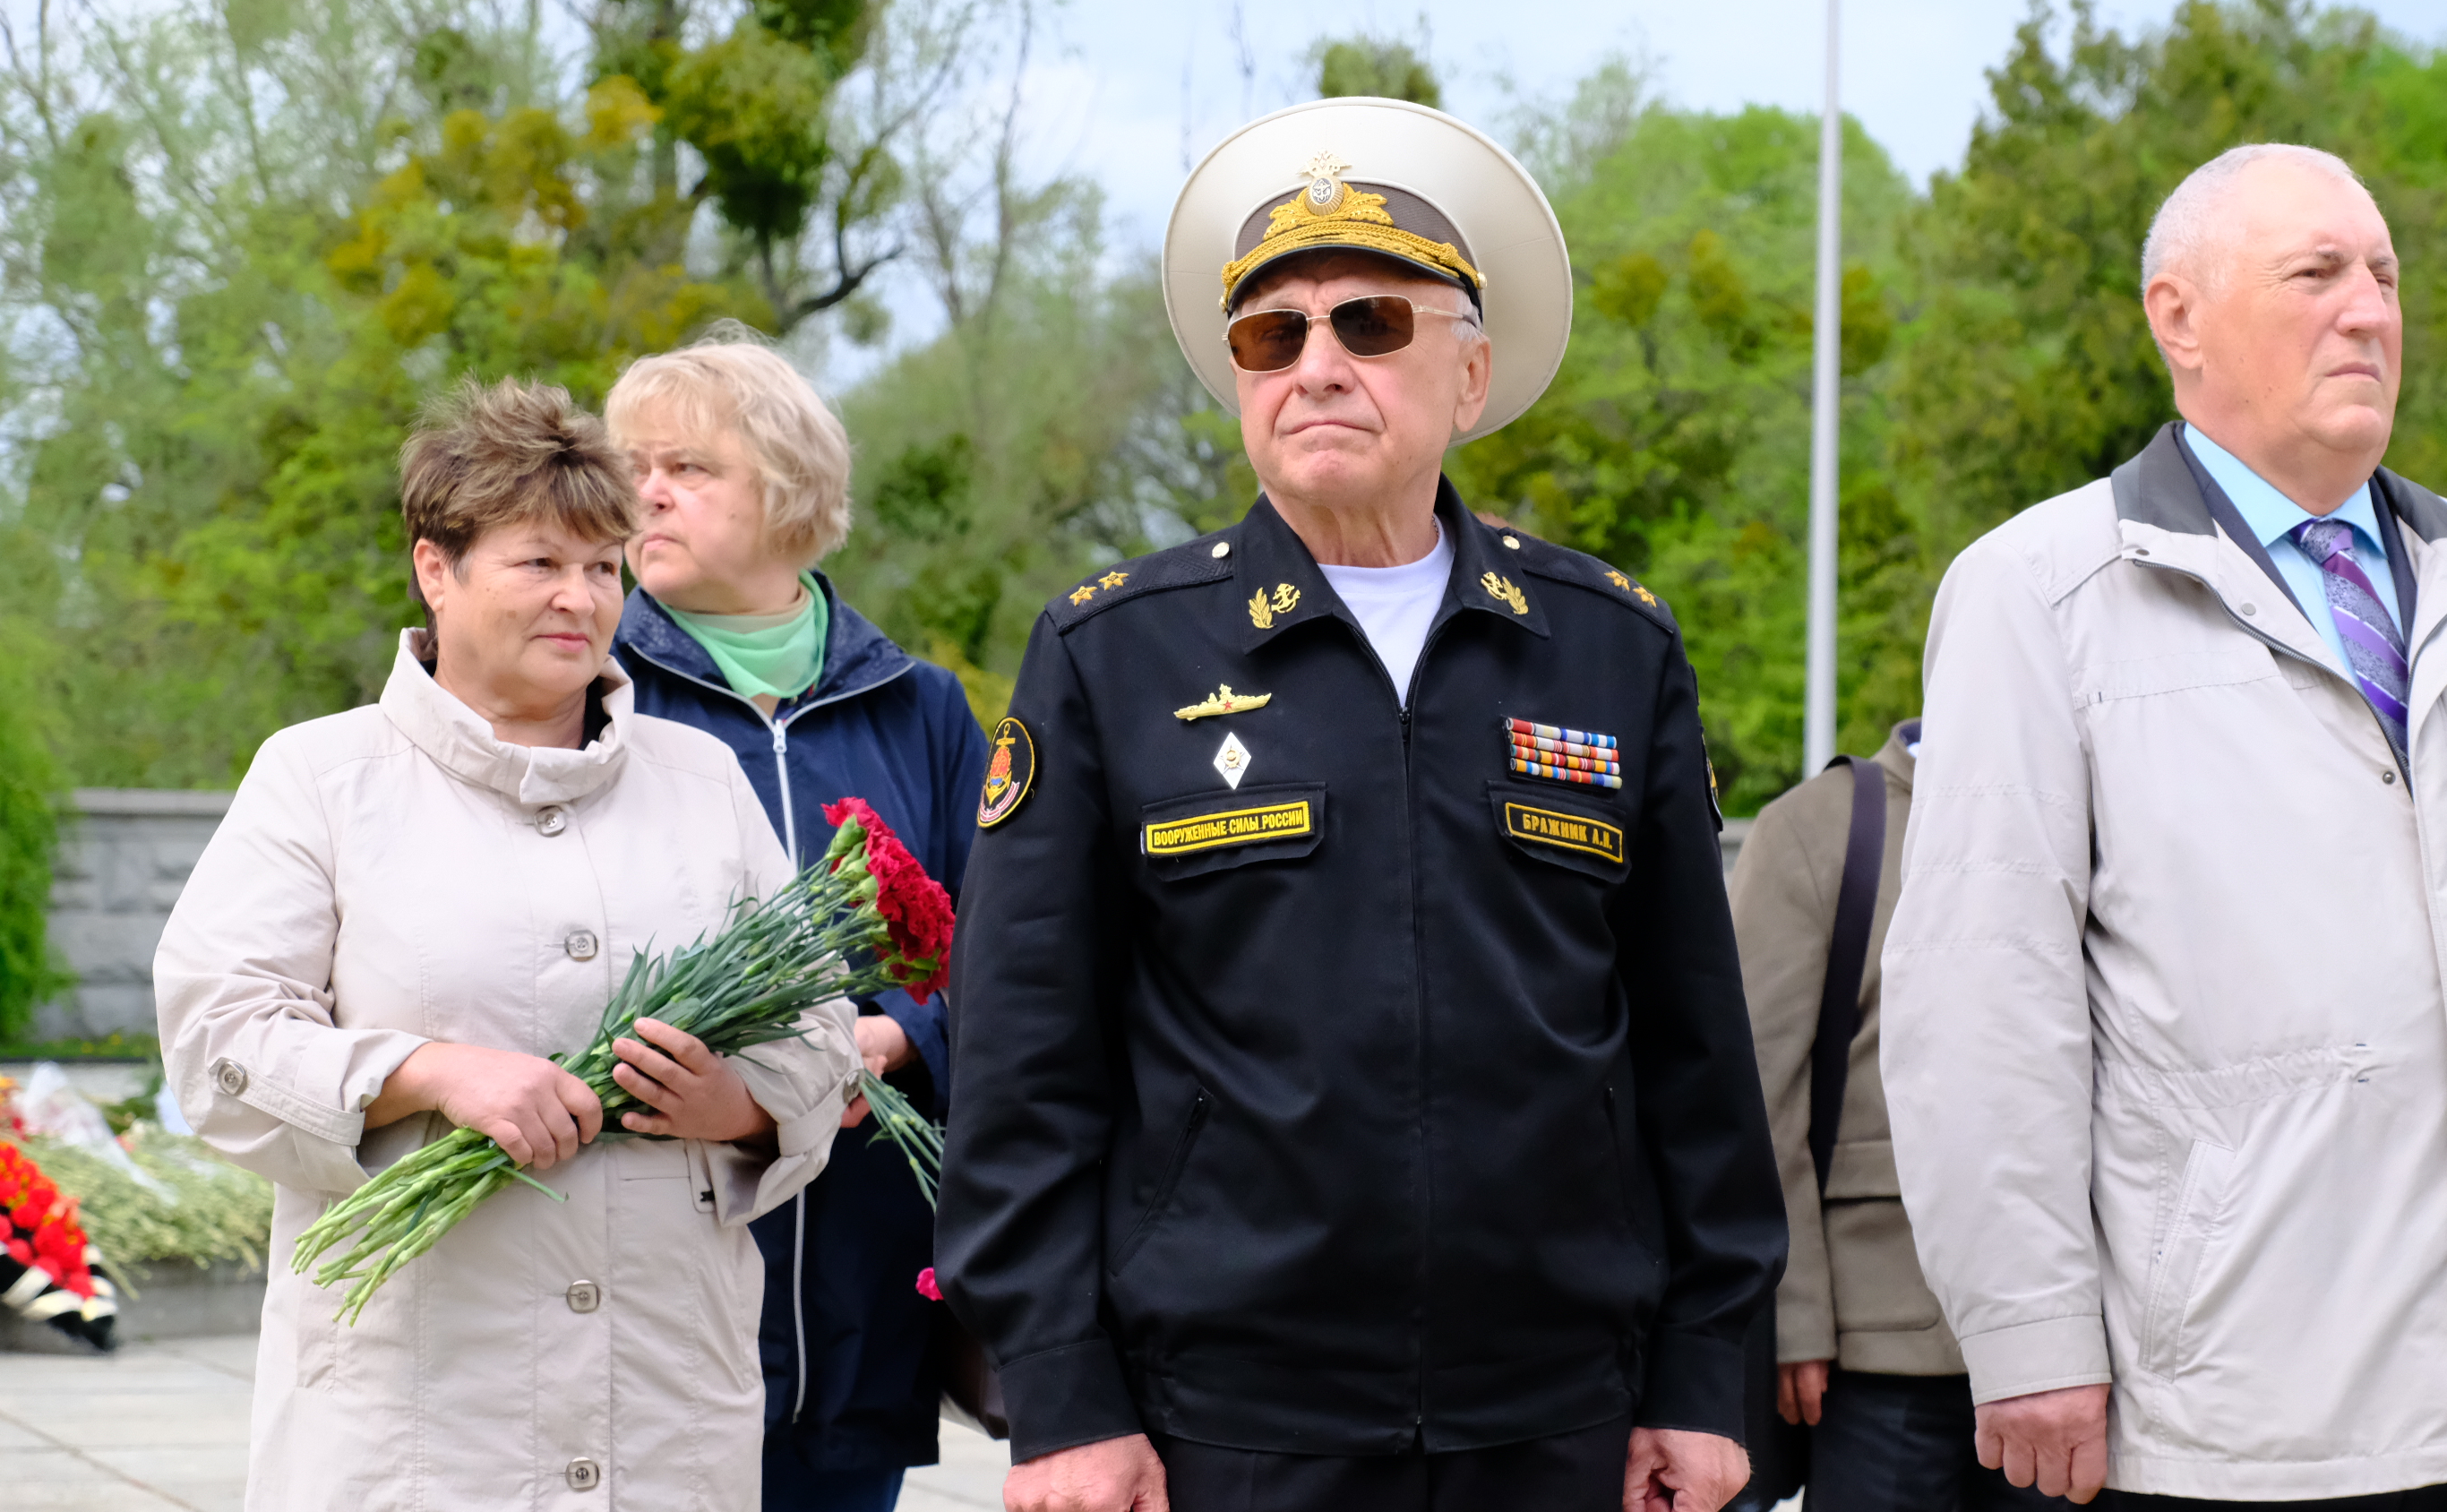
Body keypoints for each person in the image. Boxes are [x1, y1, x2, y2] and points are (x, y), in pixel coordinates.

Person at [931, 97, 1787, 1512]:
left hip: (1560, 1416)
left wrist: (1705, 1373)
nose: (1316, 365)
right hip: (1222, 1426)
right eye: (1272, 337)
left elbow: (1697, 1053)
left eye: (1371, 325)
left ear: (1471, 374)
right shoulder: (1114, 653)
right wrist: (1062, 1396)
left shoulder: (1608, 647)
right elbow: (1025, 1062)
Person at [1880, 142, 2447, 1508]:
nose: (2368, 311)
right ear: (2177, 317)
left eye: (2385, 276)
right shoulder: (2039, 591)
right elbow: (1982, 1002)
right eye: (2317, 274)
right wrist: (2028, 1336)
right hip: (2235, 1420)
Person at [152, 377, 859, 1509]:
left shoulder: (701, 781)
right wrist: (424, 1071)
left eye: (602, 566)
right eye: (539, 561)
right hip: (415, 1430)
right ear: (436, 568)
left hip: (662, 1415)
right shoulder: (321, 776)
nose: (579, 597)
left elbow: (821, 1029)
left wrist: (733, 1102)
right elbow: (218, 1039)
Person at [604, 331, 992, 1510]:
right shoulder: (592, 693)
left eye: (687, 466)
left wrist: (900, 1038)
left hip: (861, 1289)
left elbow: (1011, 944)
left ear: (788, 490)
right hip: (648, 1280)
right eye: (632, 468)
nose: (647, 492)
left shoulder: (920, 707)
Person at [1730, 720, 2061, 1512]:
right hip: (1880, 1346)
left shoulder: (2076, 815)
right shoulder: (1819, 827)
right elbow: (1759, 1094)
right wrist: (1794, 1317)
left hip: (2062, 1352)